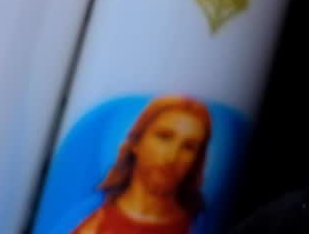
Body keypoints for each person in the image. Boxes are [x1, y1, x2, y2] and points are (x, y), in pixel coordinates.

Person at [71, 96, 212, 234]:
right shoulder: (90, 220)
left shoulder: (200, 225)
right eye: (164, 137)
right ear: (137, 142)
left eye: (189, 147)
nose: (172, 157)